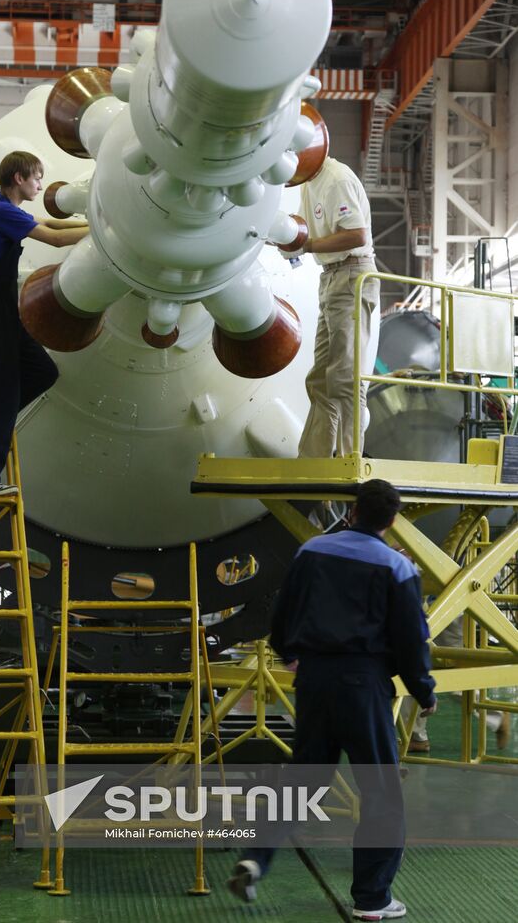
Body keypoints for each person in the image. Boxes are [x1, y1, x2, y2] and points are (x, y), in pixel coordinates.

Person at [228, 479, 437, 921]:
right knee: (381, 793)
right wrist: (423, 690)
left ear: (354, 511)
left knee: (302, 781)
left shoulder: (312, 552)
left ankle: (255, 859)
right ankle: (372, 898)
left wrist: (291, 654)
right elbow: (410, 637)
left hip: (315, 679)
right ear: (393, 520)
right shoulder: (397, 568)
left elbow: (281, 612)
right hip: (364, 685)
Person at [0, 150, 89, 494]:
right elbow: (56, 238)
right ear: (19, 178)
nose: (40, 184)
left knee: (42, 371)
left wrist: (100, 222)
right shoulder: (1, 212)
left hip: (1, 310)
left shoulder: (1, 208)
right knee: (0, 393)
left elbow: (53, 224)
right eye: (36, 177)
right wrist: (107, 236)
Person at [283, 148, 380, 459]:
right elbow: (302, 228)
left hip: (352, 275)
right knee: (321, 378)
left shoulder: (336, 179)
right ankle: (314, 460)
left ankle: (349, 459)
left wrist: (307, 245)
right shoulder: (309, 183)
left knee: (344, 375)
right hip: (331, 278)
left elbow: (356, 235)